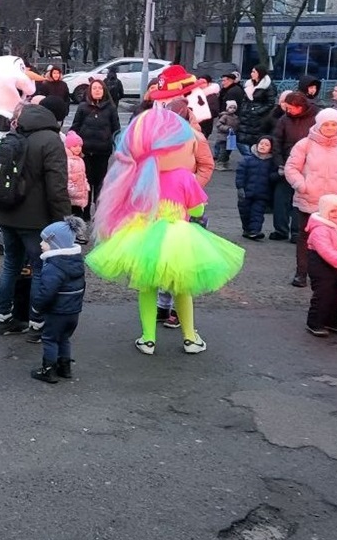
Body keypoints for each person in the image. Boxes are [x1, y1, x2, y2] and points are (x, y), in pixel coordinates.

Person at [85, 108, 244, 355]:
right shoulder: (184, 177)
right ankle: (190, 338)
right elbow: (198, 208)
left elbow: (129, 207)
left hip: (144, 237)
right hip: (178, 238)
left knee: (146, 287)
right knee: (181, 287)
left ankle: (148, 338)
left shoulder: (137, 177)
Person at [0, 104, 72, 337]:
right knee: (39, 269)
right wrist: (64, 220)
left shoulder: (13, 136)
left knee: (10, 265)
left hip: (7, 213)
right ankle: (37, 323)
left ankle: (3, 317)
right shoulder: (51, 140)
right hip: (35, 219)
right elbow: (57, 186)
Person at [283, 107, 337, 288]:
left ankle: (335, 273)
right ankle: (302, 273)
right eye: (326, 124)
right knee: (305, 238)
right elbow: (292, 167)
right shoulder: (305, 144)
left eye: (334, 124)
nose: (330, 128)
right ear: (319, 125)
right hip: (309, 199)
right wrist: (302, 185)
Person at [29, 217, 87, 383]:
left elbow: (47, 291)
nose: (41, 244)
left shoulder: (54, 266)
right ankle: (65, 367)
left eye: (44, 241)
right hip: (73, 311)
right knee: (64, 338)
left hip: (57, 311)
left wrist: (37, 307)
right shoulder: (76, 262)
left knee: (50, 339)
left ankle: (48, 370)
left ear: (55, 244)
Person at [304, 194, 337, 337]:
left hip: (336, 266)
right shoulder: (319, 230)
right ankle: (315, 322)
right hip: (321, 266)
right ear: (324, 211)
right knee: (323, 295)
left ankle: (332, 321)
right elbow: (326, 251)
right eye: (332, 211)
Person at [270, 91, 318, 243]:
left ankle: (297, 231)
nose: (287, 110)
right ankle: (280, 230)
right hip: (287, 163)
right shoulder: (284, 119)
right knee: (281, 198)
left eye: (290, 108)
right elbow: (276, 141)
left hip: (308, 166)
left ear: (300, 106)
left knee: (301, 200)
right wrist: (279, 163)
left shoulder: (316, 117)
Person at [69, 78, 119, 221]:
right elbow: (75, 127)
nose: (97, 90)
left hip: (103, 152)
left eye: (100, 88)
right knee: (85, 183)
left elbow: (116, 129)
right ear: (90, 91)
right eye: (94, 88)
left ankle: (99, 212)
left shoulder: (110, 108)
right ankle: (85, 212)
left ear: (104, 91)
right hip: (85, 152)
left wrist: (117, 146)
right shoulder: (83, 107)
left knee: (100, 183)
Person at [235, 137, 276, 241]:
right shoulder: (247, 159)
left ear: (271, 148)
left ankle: (255, 231)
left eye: (266, 145)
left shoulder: (271, 163)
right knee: (245, 212)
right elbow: (240, 174)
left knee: (257, 214)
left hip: (262, 195)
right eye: (261, 143)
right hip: (246, 193)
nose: (263, 146)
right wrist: (240, 187)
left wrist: (278, 174)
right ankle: (247, 229)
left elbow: (272, 177)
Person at [237, 64, 276, 158]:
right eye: (252, 71)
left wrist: (258, 111)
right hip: (246, 117)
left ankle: (253, 158)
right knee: (241, 141)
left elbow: (270, 103)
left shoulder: (268, 86)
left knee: (254, 140)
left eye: (254, 72)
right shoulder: (249, 84)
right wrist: (243, 109)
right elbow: (244, 99)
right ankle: (249, 158)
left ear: (260, 73)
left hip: (258, 119)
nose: (252, 74)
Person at [64, 131, 89, 212]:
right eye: (74, 146)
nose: (78, 148)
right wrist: (72, 190)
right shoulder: (68, 161)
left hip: (79, 195)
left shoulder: (80, 160)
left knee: (78, 213)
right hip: (71, 196)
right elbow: (67, 178)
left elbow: (83, 176)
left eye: (80, 146)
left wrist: (86, 186)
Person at [212, 100, 239, 171]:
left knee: (228, 151)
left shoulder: (236, 118)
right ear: (227, 108)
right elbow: (219, 125)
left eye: (234, 108)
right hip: (223, 137)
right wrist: (227, 128)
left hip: (231, 137)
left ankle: (225, 163)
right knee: (223, 151)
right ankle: (219, 163)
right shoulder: (224, 116)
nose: (232, 109)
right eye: (230, 107)